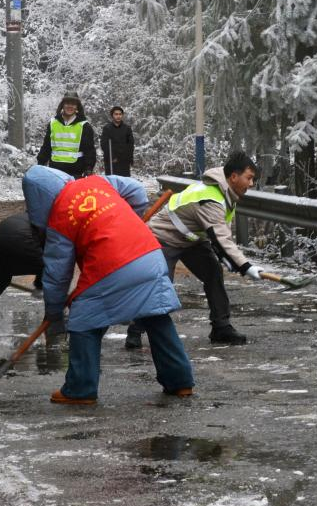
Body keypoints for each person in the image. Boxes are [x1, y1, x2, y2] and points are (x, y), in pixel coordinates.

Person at [22, 165, 194, 404]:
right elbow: (137, 190)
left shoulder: (59, 218)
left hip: (112, 265)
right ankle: (180, 381)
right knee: (155, 315)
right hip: (149, 254)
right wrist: (127, 220)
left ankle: (80, 389)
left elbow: (57, 274)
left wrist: (53, 311)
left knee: (83, 321)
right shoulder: (97, 182)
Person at [127, 151, 262, 349]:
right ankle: (135, 330)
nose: (251, 184)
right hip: (163, 238)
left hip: (192, 240)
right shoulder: (211, 199)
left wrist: (231, 262)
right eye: (249, 178)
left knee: (213, 273)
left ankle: (221, 327)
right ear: (233, 176)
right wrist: (245, 266)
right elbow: (221, 240)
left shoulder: (225, 191)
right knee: (160, 285)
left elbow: (219, 240)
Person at [36, 92, 96, 178]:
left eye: (73, 104)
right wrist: (41, 163)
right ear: (62, 105)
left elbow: (89, 150)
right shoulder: (53, 123)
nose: (70, 106)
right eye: (67, 103)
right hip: (55, 170)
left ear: (77, 107)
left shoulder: (84, 126)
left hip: (76, 172)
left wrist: (89, 168)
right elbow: (46, 146)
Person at [100, 106, 135, 177]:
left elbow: (130, 145)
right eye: (116, 114)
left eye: (120, 114)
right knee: (112, 181)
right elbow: (104, 145)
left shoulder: (127, 128)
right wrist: (113, 157)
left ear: (122, 115)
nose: (118, 116)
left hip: (124, 162)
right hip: (111, 161)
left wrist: (130, 158)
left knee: (124, 181)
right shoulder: (107, 128)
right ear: (112, 115)